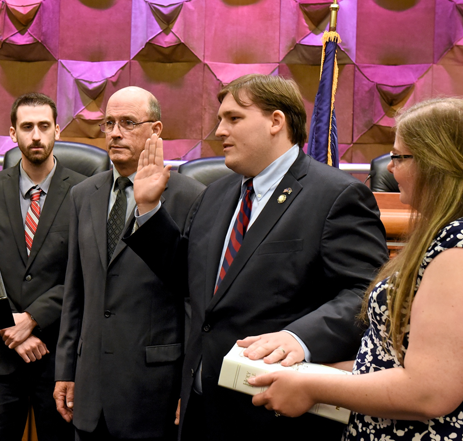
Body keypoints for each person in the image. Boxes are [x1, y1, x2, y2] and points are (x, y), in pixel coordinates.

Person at [126, 74, 389, 440]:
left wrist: (298, 338)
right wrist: (149, 208)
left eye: (233, 118)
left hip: (276, 417)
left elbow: (366, 294)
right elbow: (192, 282)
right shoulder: (215, 194)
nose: (220, 130)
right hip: (203, 409)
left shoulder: (336, 196)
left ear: (276, 122)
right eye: (220, 119)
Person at [248, 98, 463, 440]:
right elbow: (388, 359)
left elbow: (428, 391)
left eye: (399, 157)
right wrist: (306, 372)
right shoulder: (450, 236)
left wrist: (312, 387)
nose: (390, 169)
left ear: (437, 162)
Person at [54, 87, 205, 441]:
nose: (115, 132)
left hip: (154, 391)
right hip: (90, 388)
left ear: (156, 131)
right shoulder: (82, 195)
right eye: (109, 123)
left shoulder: (190, 197)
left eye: (128, 123)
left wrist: (189, 383)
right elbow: (76, 290)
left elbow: (191, 302)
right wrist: (66, 369)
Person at [0, 93, 83, 441]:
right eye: (27, 127)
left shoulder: (83, 192)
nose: (36, 135)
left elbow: (84, 274)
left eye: (44, 126)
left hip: (57, 360)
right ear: (13, 132)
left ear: (57, 130)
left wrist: (31, 319)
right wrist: (9, 329)